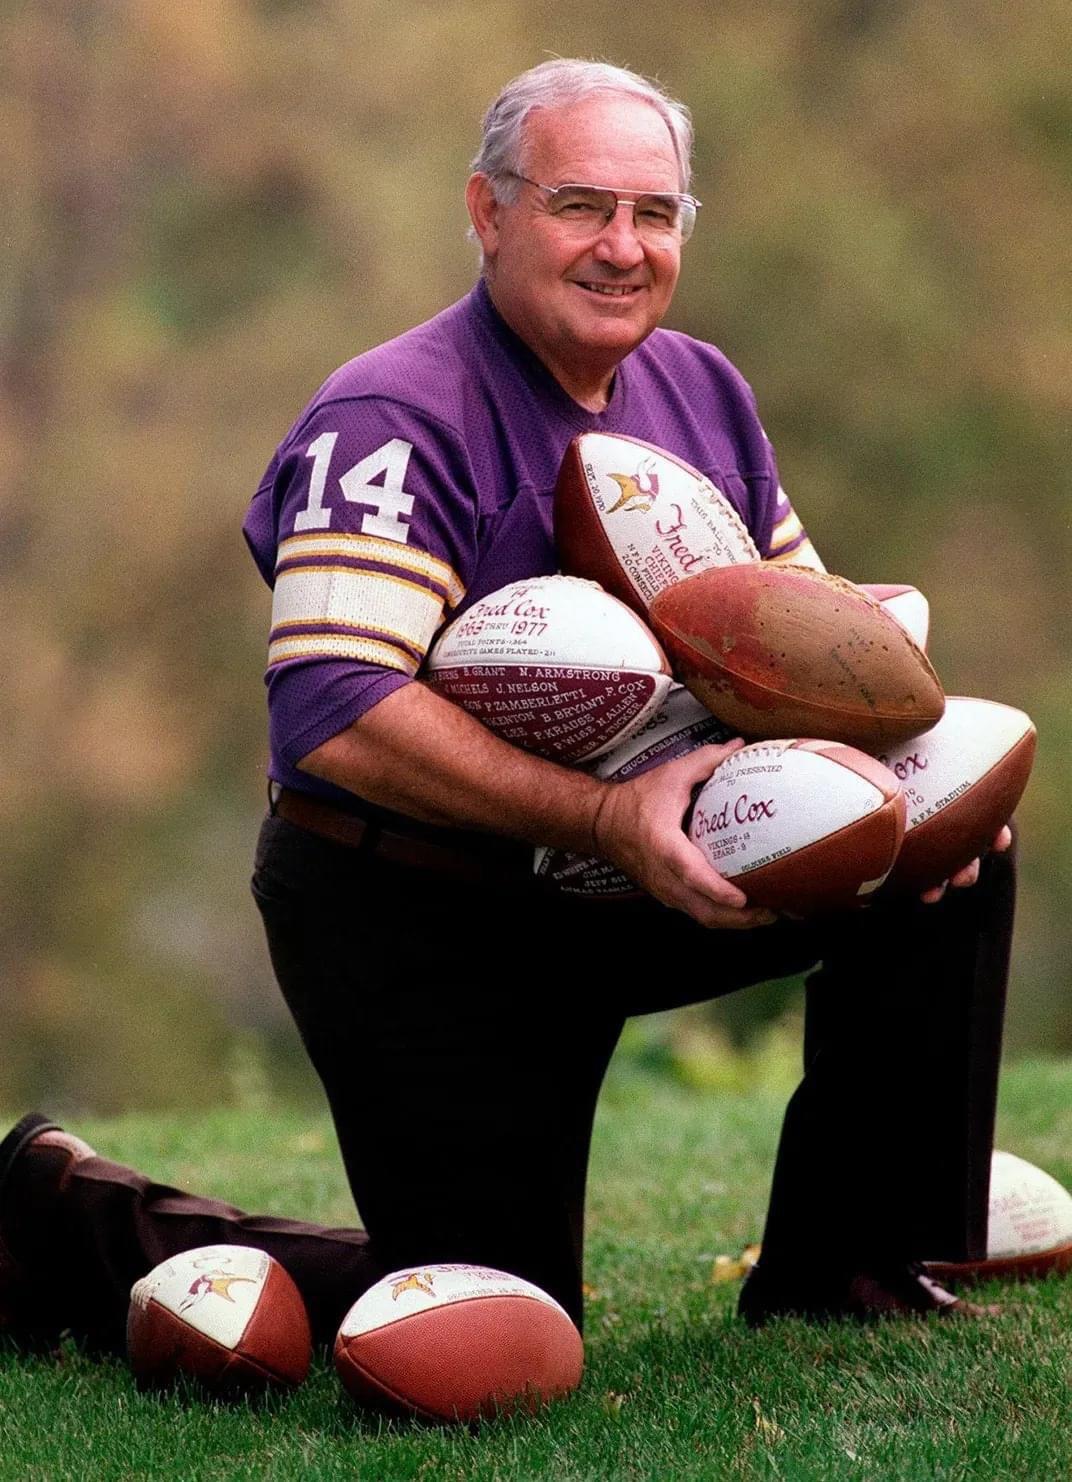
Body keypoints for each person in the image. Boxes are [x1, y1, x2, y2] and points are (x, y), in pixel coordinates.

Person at [0, 59, 1028, 1362]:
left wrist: (889, 761)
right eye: (581, 205)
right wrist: (605, 818)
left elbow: (801, 642)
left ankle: (853, 1265)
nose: (623, 246)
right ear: (488, 213)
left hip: (632, 875)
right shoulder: (391, 416)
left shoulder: (702, 391)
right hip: (419, 910)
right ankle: (61, 1216)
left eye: (654, 214)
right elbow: (334, 708)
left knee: (952, 846)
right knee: (493, 1318)